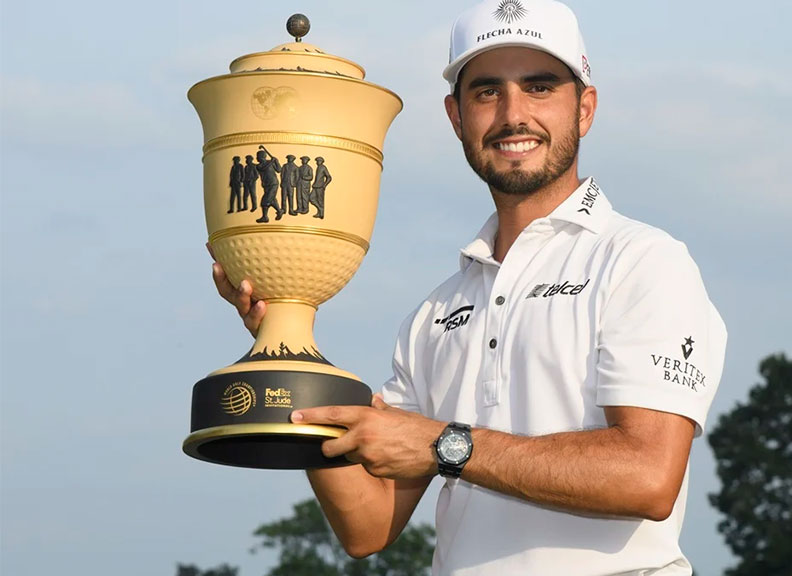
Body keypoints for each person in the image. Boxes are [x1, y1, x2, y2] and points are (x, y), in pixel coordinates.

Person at [211, 1, 726, 574]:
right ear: (456, 117)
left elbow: (648, 475)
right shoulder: (437, 311)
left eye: (539, 87)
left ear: (584, 108)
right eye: (487, 92)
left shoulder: (641, 261)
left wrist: (444, 445)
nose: (513, 115)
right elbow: (368, 524)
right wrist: (290, 350)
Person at [254, 146, 283, 223]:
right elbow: (263, 168)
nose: (256, 158)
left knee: (265, 201)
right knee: (272, 199)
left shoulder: (270, 163)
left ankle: (265, 217)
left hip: (273, 184)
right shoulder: (258, 166)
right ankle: (279, 211)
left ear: (262, 157)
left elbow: (279, 170)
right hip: (266, 185)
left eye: (258, 157)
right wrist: (272, 161)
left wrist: (276, 162)